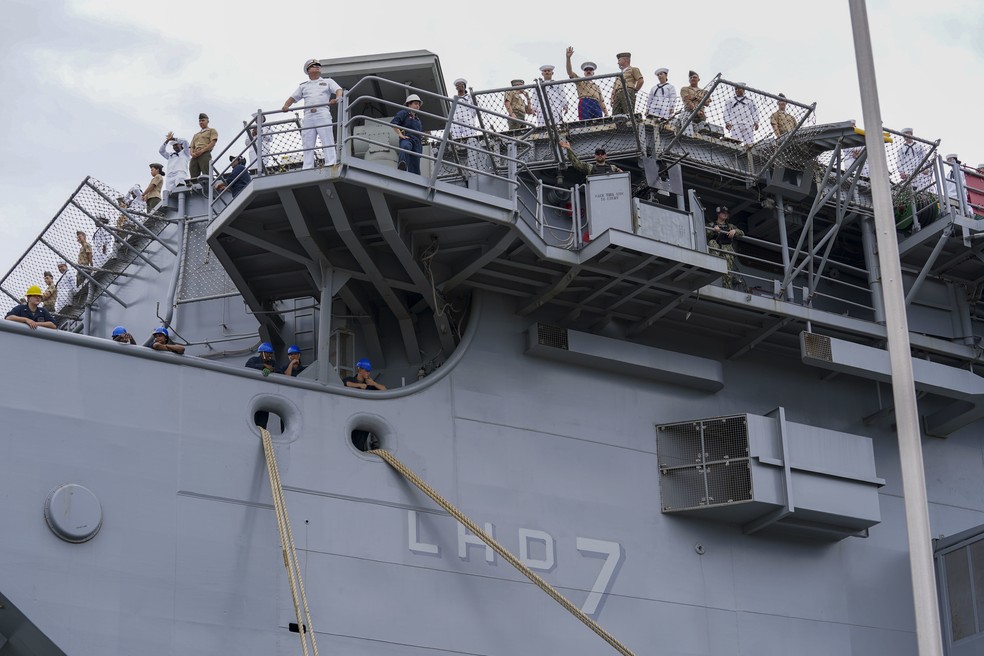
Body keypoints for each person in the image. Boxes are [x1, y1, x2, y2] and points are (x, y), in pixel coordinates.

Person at [282, 59, 344, 169]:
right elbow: (293, 97)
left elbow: (339, 90)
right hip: (308, 115)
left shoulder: (328, 81)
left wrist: (337, 98)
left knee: (327, 138)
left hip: (322, 113)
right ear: (308, 70)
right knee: (307, 141)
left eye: (318, 65)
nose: (317, 67)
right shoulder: (304, 86)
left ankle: (330, 162)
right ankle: (308, 166)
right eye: (314, 66)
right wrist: (286, 105)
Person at [706, 206, 744, 289]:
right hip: (716, 248)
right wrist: (713, 230)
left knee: (727, 272)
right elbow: (706, 233)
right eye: (723, 213)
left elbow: (742, 233)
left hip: (727, 249)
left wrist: (735, 231)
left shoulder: (730, 226)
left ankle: (726, 289)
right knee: (712, 243)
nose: (725, 214)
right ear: (718, 214)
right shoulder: (712, 224)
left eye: (726, 213)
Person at [565, 47, 607, 120]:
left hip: (596, 105)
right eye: (586, 70)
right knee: (585, 124)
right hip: (585, 102)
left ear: (593, 72)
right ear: (584, 73)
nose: (588, 71)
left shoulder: (596, 87)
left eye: (590, 70)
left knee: (599, 124)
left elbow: (601, 102)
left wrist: (606, 112)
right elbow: (570, 72)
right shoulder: (580, 81)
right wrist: (568, 58)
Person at [391, 94, 425, 174]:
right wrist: (400, 134)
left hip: (417, 142)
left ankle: (416, 181)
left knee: (415, 164)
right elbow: (394, 123)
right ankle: (402, 165)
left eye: (419, 104)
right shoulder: (403, 113)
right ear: (409, 104)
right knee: (405, 147)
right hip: (407, 138)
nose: (418, 106)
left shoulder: (418, 119)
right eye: (415, 104)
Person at [159, 132, 190, 202]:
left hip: (180, 174)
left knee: (181, 190)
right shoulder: (170, 155)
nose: (174, 146)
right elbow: (161, 151)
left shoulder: (185, 153)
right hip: (170, 176)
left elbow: (185, 141)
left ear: (180, 145)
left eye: (176, 144)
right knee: (171, 194)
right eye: (173, 146)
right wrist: (167, 141)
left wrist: (173, 138)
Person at [611, 52, 643, 116]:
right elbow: (614, 87)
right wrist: (612, 98)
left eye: (619, 60)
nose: (618, 62)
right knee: (616, 114)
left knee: (628, 112)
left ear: (625, 60)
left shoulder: (633, 69)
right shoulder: (618, 75)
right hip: (617, 94)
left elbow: (640, 80)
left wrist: (635, 90)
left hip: (627, 91)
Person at [189, 113, 218, 179]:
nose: (201, 122)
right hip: (195, 155)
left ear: (207, 121)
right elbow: (191, 146)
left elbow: (213, 142)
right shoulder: (196, 135)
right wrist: (192, 153)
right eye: (200, 121)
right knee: (193, 175)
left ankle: (209, 188)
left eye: (203, 120)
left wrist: (202, 151)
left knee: (207, 174)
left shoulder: (211, 130)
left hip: (204, 153)